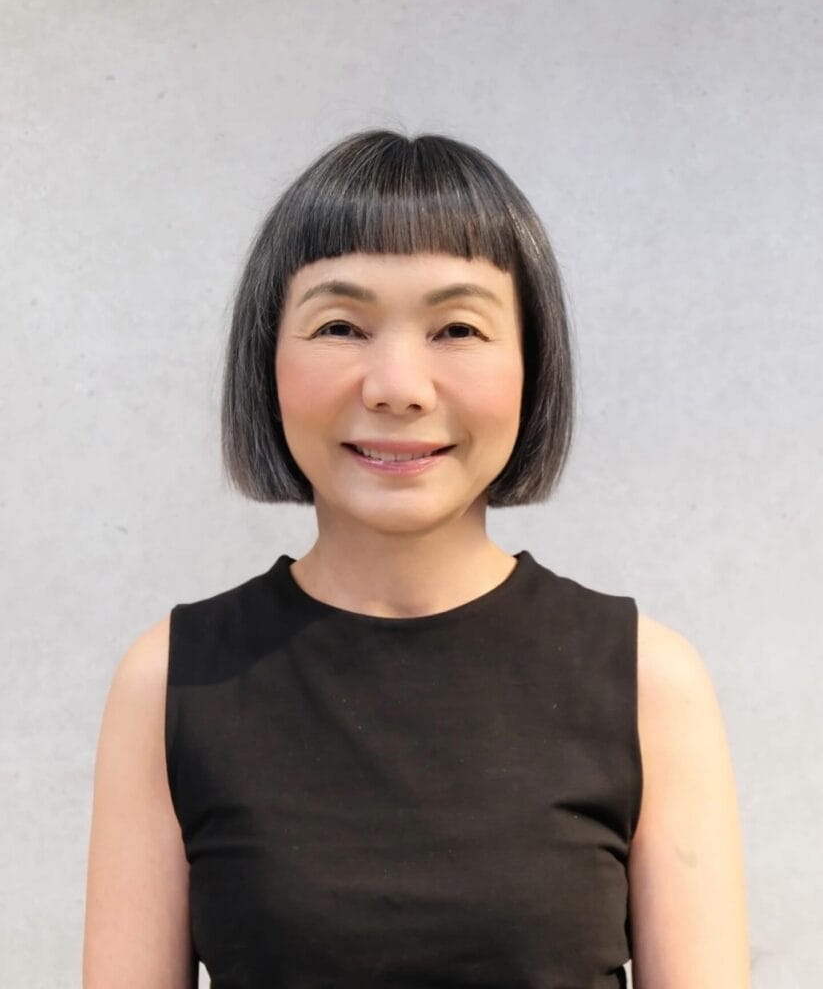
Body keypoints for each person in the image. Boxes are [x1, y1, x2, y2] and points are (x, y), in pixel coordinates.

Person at [83, 129, 751, 988]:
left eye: (457, 328)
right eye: (339, 325)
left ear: (532, 366)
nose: (396, 384)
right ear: (266, 361)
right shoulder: (169, 681)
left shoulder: (649, 681)